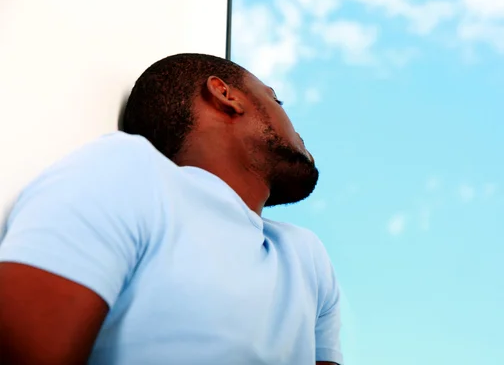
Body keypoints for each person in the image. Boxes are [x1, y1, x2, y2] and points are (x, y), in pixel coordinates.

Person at [0, 54, 343, 365]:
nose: (295, 125)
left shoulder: (306, 256)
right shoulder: (127, 172)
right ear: (226, 95)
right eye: (275, 98)